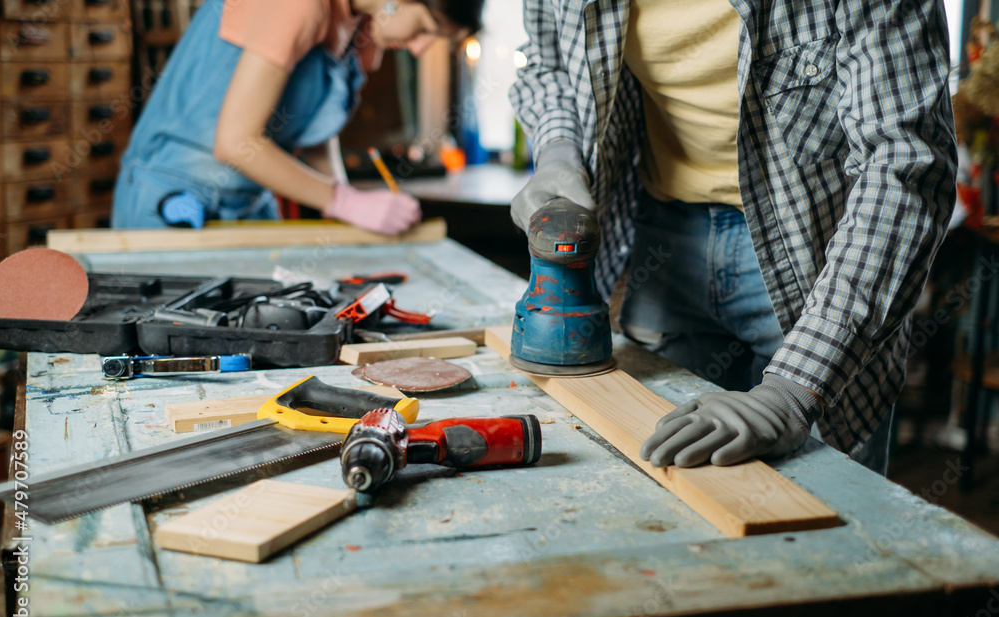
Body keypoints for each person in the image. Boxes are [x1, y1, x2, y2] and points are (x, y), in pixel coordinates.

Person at [509, 0, 957, 481]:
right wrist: (557, 148)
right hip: (665, 242)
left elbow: (907, 165)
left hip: (823, 261)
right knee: (668, 482)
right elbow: (548, 62)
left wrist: (791, 392)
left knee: (824, 514)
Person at [111, 0, 483, 232]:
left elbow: (317, 131)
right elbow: (236, 143)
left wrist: (349, 211)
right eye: (425, 30)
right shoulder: (297, 4)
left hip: (248, 203)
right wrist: (345, 202)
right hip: (173, 202)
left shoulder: (362, 26)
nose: (419, 49)